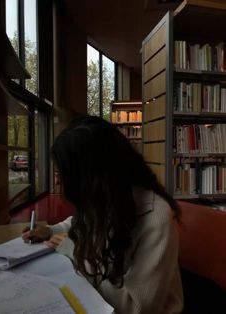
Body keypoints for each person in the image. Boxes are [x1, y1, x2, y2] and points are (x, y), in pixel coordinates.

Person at [22, 115, 183, 314]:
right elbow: (82, 221)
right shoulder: (107, 198)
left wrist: (73, 251)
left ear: (94, 177)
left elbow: (136, 308)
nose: (58, 182)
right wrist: (51, 230)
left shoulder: (156, 217)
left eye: (63, 175)